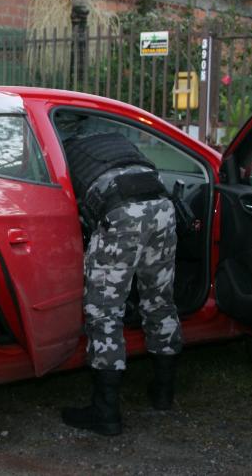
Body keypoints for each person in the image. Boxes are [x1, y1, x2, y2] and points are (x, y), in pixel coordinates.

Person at [59, 126, 182, 436]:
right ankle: (163, 393)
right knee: (159, 300)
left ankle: (106, 413)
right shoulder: (113, 138)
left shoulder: (62, 151)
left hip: (121, 212)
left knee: (104, 310)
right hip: (162, 205)